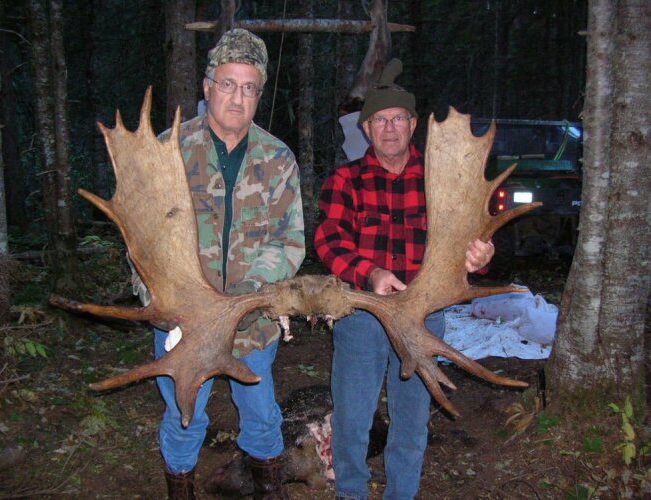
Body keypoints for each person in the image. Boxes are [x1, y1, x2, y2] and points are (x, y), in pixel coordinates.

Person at [314, 59, 493, 500]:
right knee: (352, 419)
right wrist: (370, 273)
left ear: (414, 125)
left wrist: (480, 256)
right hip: (361, 314)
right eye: (379, 120)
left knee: (412, 422)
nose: (389, 128)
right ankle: (350, 493)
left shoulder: (441, 182)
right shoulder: (345, 180)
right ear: (366, 129)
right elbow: (329, 241)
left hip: (424, 316)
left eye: (398, 119)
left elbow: (469, 242)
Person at [149, 29, 305, 499]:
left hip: (251, 323)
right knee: (184, 416)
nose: (237, 98)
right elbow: (142, 242)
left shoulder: (278, 158)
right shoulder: (167, 151)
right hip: (183, 324)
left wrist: (250, 293)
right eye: (228, 84)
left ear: (259, 94)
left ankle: (268, 490)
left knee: (261, 416)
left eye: (249, 88)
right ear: (207, 86)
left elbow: (289, 241)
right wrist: (157, 298)